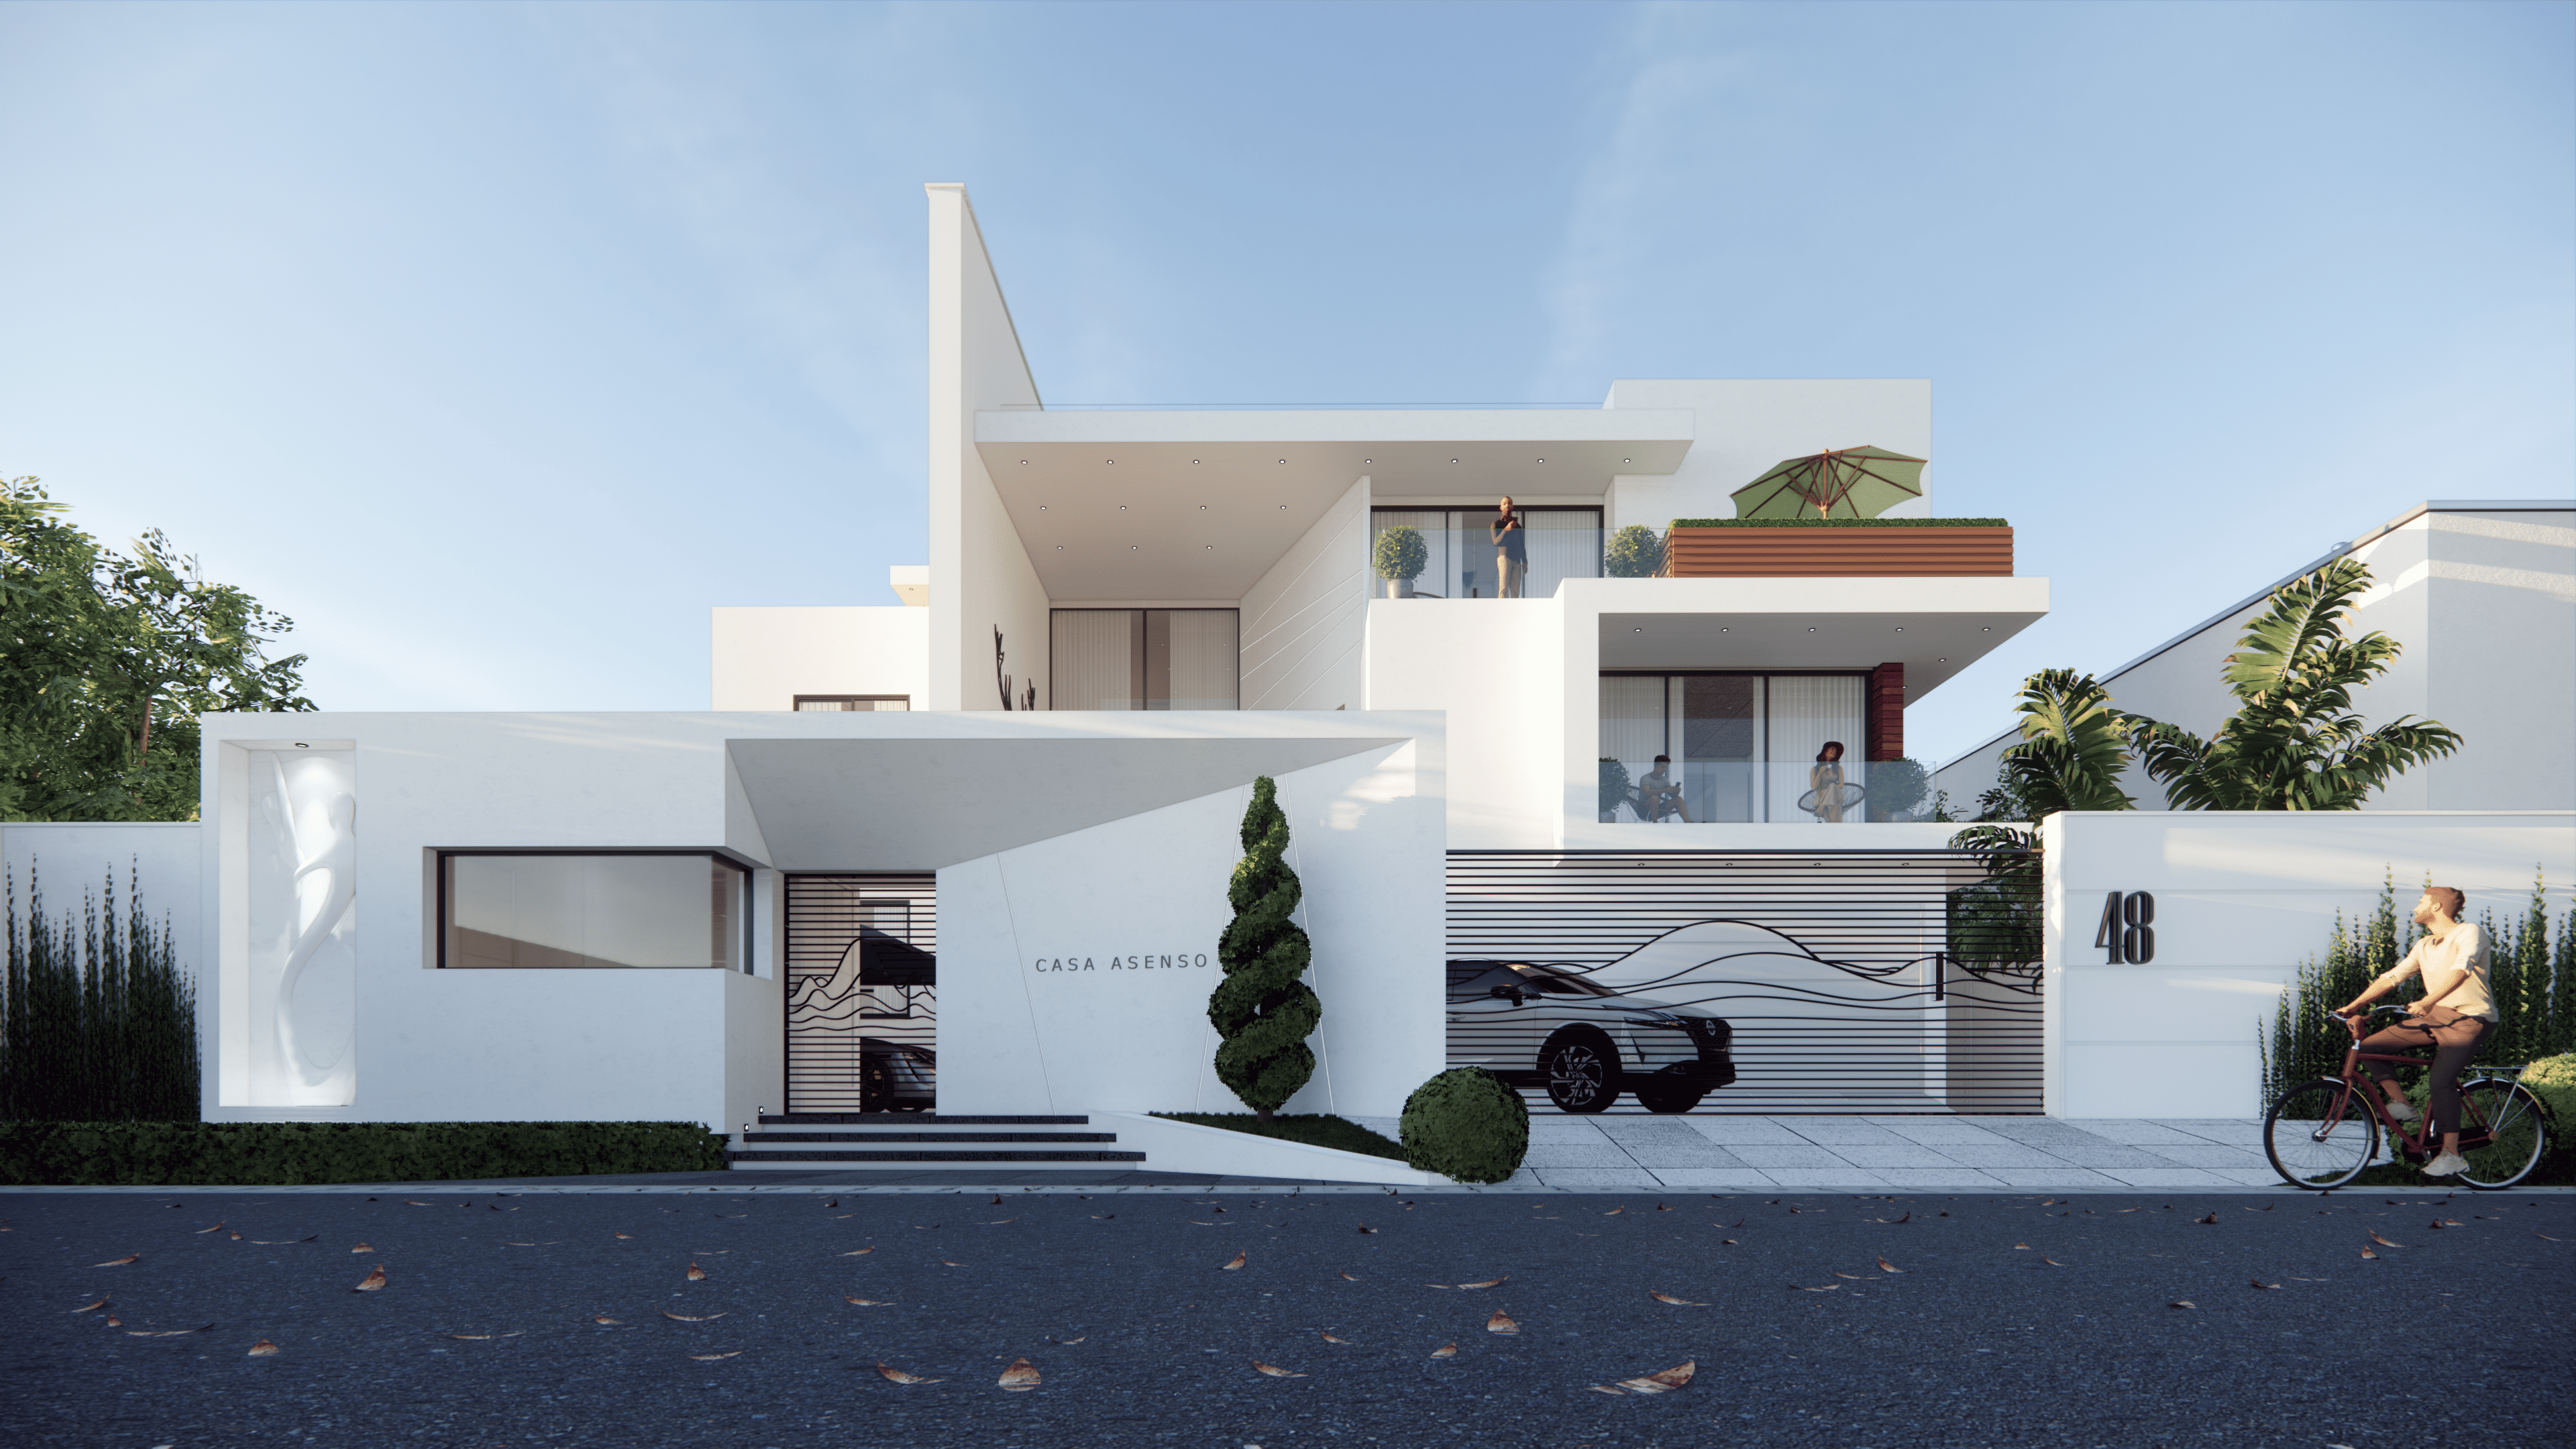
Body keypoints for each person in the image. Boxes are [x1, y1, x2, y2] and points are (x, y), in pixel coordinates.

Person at [2333, 886, 2496, 1178]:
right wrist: (2353, 1005)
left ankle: (2451, 1154)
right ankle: (2404, 1106)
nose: (2415, 908)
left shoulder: (2470, 932)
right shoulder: (2424, 945)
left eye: (2421, 902)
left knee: (2441, 1080)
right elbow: (2392, 977)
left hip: (2470, 1019)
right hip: (2436, 1017)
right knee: (2371, 1047)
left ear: (2437, 906)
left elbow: (2463, 969)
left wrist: (2427, 1001)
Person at [1637, 754, 1690, 822]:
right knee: (1655, 798)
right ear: (1656, 765)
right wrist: (1666, 790)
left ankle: (1688, 823)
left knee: (1678, 799)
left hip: (1657, 809)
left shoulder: (1665, 780)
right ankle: (1655, 823)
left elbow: (1673, 796)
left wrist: (1676, 791)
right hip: (1643, 810)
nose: (1664, 770)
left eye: (1666, 768)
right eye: (1662, 767)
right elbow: (1648, 793)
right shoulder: (1645, 778)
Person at [1492, 496, 1527, 599]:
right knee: (1503, 590)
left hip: (1517, 560)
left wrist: (1524, 561)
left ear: (1512, 506)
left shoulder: (1518, 526)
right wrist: (1506, 530)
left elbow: (1521, 544)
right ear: (1501, 507)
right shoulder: (1496, 524)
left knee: (1516, 592)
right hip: (1504, 557)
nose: (1507, 505)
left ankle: (1514, 613)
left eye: (1509, 503)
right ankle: (1501, 613)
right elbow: (1495, 542)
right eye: (1505, 503)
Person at [1809, 741, 1848, 822]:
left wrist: (1828, 790)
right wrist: (1820, 773)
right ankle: (1836, 828)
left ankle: (1822, 807)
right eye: (1832, 749)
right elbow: (1814, 787)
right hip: (1821, 798)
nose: (1834, 752)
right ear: (1825, 751)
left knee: (1833, 786)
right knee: (1832, 806)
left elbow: (1841, 786)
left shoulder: (1838, 768)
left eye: (1836, 751)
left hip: (1835, 795)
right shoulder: (1815, 770)